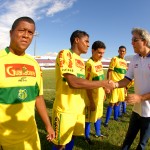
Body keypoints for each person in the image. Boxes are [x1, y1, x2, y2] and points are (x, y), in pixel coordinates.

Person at [52, 30, 115, 150]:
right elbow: (73, 82)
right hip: (65, 108)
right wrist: (104, 83)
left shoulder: (81, 61)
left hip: (79, 108)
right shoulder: (65, 53)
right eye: (86, 41)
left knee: (73, 137)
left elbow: (85, 84)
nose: (87, 44)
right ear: (76, 40)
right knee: (60, 143)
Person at [0, 16, 55, 150]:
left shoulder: (34, 64)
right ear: (11, 33)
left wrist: (48, 125)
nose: (26, 35)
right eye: (22, 30)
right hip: (6, 140)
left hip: (31, 137)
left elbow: (38, 97)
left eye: (30, 32)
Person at [113, 28, 150, 150]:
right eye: (132, 40)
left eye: (135, 40)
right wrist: (114, 85)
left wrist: (140, 97)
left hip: (149, 113)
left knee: (142, 144)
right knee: (127, 140)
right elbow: (127, 79)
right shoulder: (134, 59)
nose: (132, 43)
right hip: (136, 109)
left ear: (144, 41)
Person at [84, 41, 106, 144]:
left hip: (100, 95)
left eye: (103, 53)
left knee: (99, 115)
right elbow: (87, 85)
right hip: (91, 97)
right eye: (99, 53)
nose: (101, 55)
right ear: (92, 51)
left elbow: (101, 79)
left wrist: (104, 92)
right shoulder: (89, 64)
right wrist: (91, 101)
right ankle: (86, 136)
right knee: (88, 119)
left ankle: (98, 133)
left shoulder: (99, 63)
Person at [104, 46, 127, 127]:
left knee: (118, 102)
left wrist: (124, 87)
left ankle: (115, 117)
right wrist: (109, 84)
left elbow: (124, 75)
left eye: (123, 51)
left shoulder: (124, 62)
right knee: (112, 103)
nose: (122, 52)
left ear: (125, 52)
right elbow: (110, 71)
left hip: (121, 85)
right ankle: (106, 121)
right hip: (115, 85)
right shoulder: (114, 59)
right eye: (121, 51)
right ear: (118, 51)